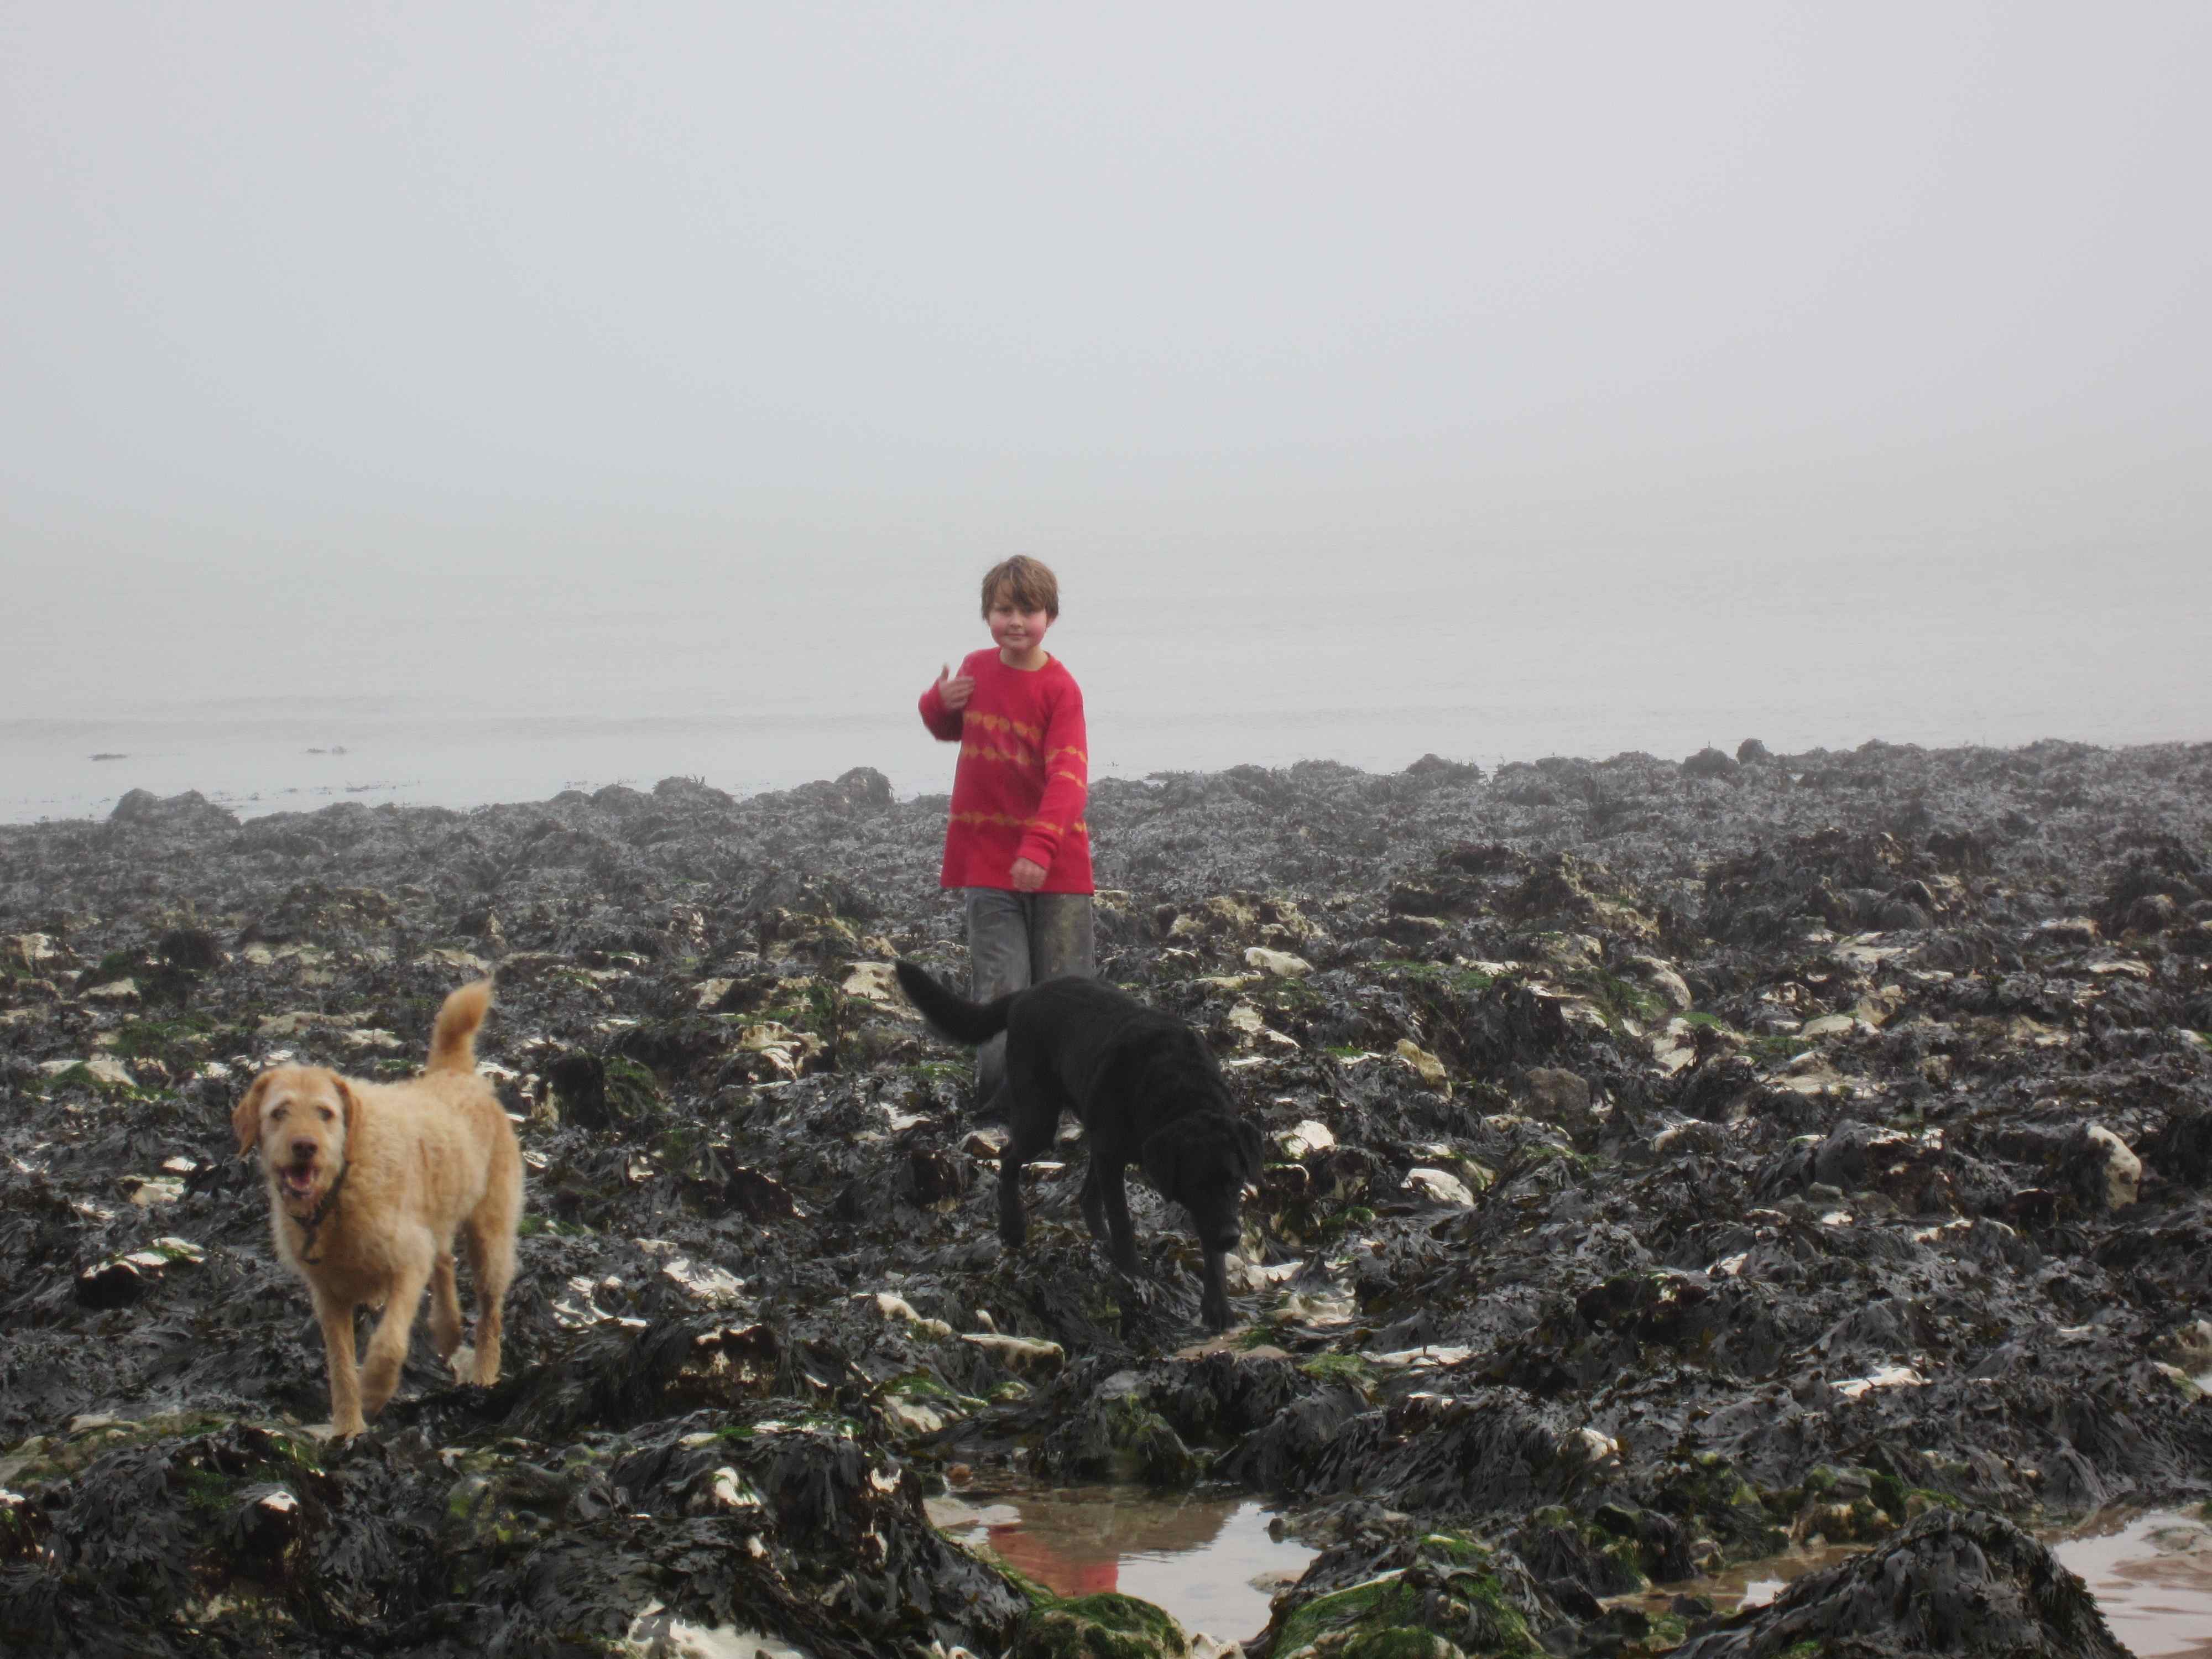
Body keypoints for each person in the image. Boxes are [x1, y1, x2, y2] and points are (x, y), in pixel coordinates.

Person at [917, 555, 1094, 1110]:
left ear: (1050, 617)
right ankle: (999, 1107)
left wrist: (1039, 849)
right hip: (988, 865)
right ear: (987, 614)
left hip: (1058, 870)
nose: (1015, 622)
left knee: (1065, 994)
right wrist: (937, 704)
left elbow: (1069, 779)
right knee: (999, 991)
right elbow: (951, 726)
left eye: (1028, 611)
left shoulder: (1061, 689)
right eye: (1003, 610)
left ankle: (1072, 1106)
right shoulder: (976, 667)